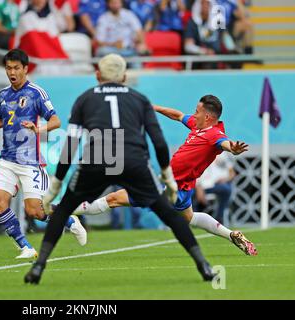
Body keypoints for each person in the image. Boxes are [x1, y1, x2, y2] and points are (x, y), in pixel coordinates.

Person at [24, 53, 217, 284]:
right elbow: (157, 140)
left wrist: (56, 184)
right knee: (167, 212)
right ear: (125, 76)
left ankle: (38, 267)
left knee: (64, 209)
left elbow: (72, 142)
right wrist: (168, 178)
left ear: (97, 75)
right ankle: (203, 265)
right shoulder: (139, 99)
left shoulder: (84, 99)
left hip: (97, 157)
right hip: (133, 159)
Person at [65, 95, 258, 256]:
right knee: (189, 218)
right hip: (181, 187)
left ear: (207, 116)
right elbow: (178, 115)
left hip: (171, 186)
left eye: (197, 111)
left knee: (114, 198)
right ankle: (232, 235)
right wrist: (153, 107)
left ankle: (66, 212)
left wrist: (233, 149)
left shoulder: (214, 135)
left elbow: (226, 144)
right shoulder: (198, 126)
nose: (194, 113)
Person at [0, 49, 87, 259]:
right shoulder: (3, 95)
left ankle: (70, 221)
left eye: (16, 68)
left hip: (30, 162)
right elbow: (0, 121)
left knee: (35, 212)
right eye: (8, 68)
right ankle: (25, 247)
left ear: (25, 69)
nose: (12, 72)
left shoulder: (36, 93)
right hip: (7, 160)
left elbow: (55, 121)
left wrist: (39, 129)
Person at [95, 0, 148, 65]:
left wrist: (141, 43)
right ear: (108, 4)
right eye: (113, 3)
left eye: (117, 3)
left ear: (121, 4)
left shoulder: (129, 14)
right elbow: (100, 41)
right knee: (101, 51)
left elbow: (138, 30)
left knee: (136, 57)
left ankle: (137, 74)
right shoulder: (103, 18)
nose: (115, 5)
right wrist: (113, 44)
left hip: (128, 50)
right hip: (111, 51)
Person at [195, 152, 235, 224]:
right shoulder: (199, 152)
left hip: (215, 185)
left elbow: (232, 173)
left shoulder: (223, 154)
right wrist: (198, 187)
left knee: (226, 189)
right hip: (199, 185)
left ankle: (219, 217)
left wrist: (225, 179)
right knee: (187, 192)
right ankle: (192, 218)